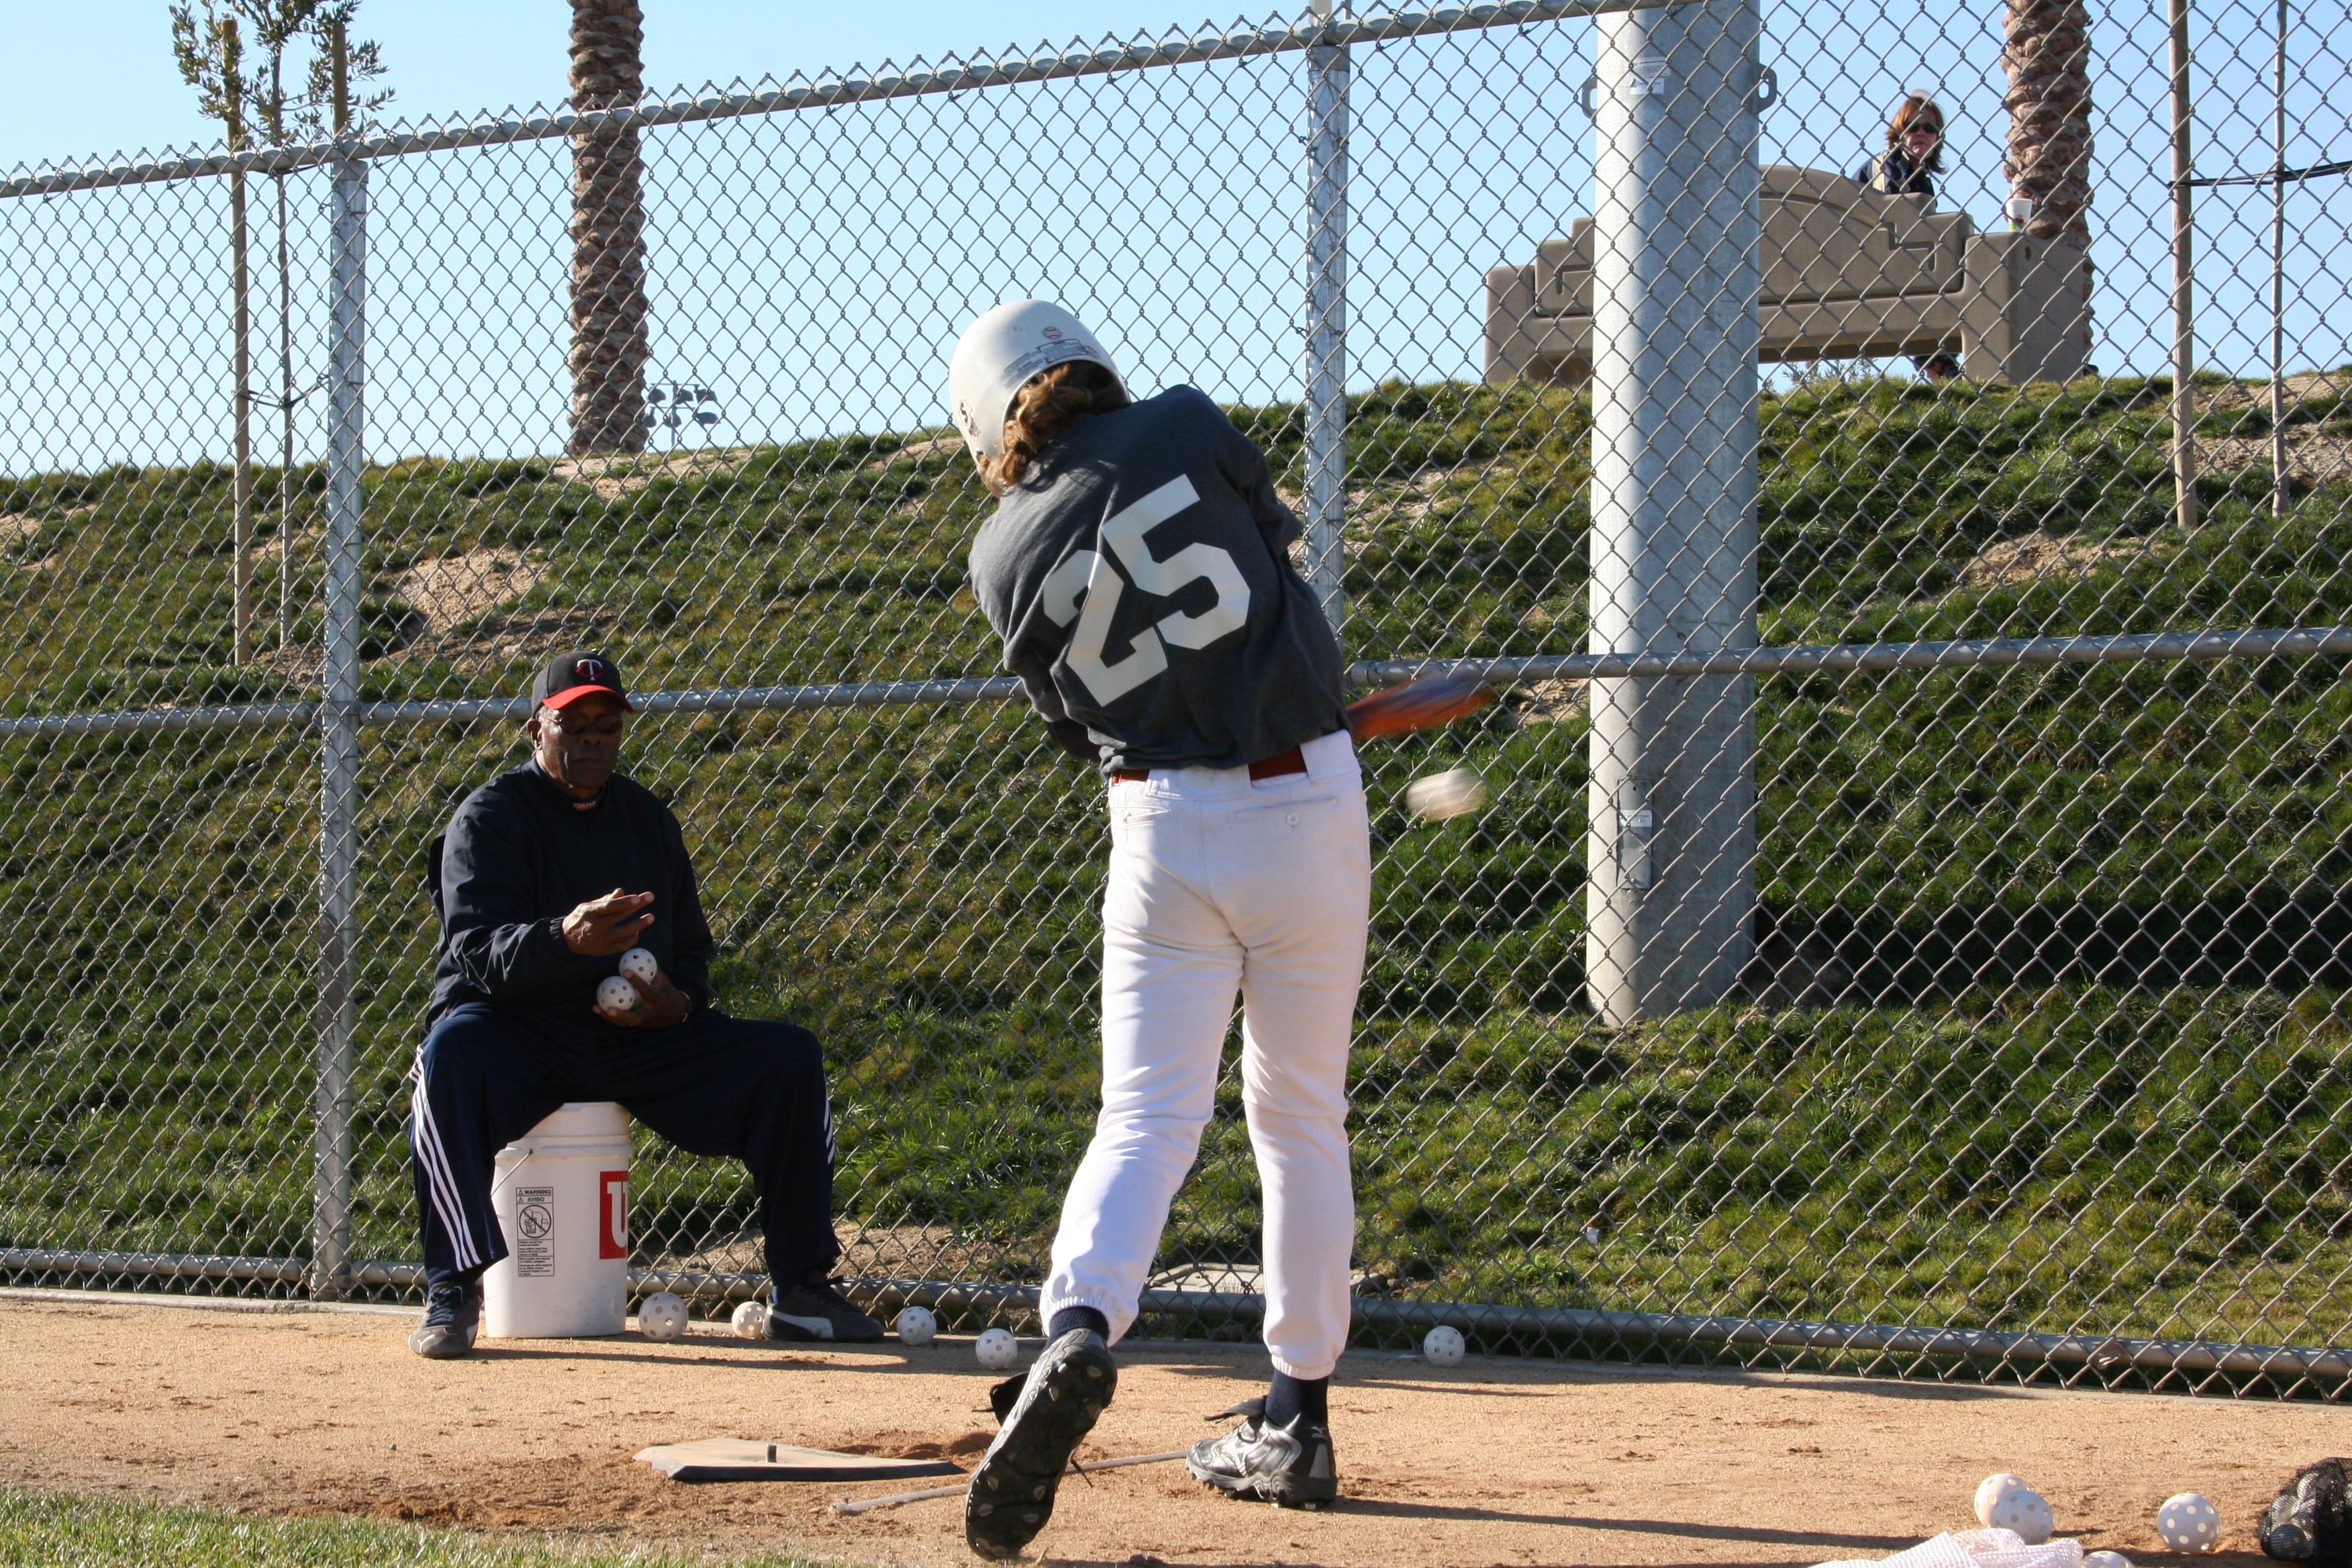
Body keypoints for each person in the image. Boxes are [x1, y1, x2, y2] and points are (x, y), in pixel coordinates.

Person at [946, 300, 1371, 1559]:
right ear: (1091, 363)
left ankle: (1077, 1327)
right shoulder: (1184, 422)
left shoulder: (995, 555)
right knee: (1300, 1116)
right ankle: (1295, 1419)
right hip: (1305, 795)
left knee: (1141, 1117)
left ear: (985, 418)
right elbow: (1269, 570)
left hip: (1158, 824)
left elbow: (1075, 725)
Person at [404, 650, 882, 1359]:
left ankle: (801, 1288)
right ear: (536, 729)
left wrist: (675, 1004)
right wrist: (564, 937)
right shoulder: (489, 818)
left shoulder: (646, 819)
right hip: (520, 1029)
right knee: (446, 1053)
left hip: (634, 1037)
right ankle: (453, 1287)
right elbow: (477, 951)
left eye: (608, 725)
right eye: (574, 724)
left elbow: (689, 951)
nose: (593, 739)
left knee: (788, 1058)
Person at [1855, 91, 1963, 381]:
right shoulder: (1889, 166)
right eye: (1913, 127)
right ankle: (1941, 365)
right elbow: (1892, 226)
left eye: (1929, 128)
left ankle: (1941, 365)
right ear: (1899, 134)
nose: (1921, 133)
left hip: (1900, 261)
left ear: (1937, 137)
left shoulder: (1921, 178)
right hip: (1869, 260)